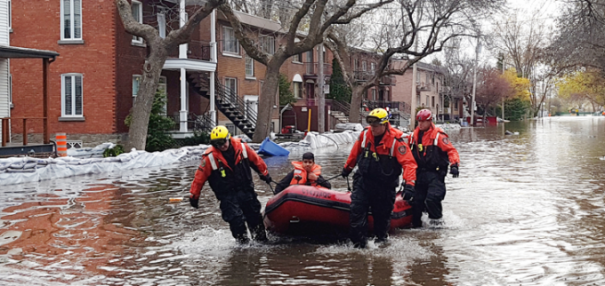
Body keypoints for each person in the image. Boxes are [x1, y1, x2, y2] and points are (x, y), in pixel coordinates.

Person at [341, 108, 418, 248]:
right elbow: (355, 152)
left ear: (384, 124)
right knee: (356, 213)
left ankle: (381, 245)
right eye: (372, 125)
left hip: (384, 186)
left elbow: (409, 163)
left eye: (376, 126)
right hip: (364, 182)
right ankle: (359, 248)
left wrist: (410, 184)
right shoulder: (365, 135)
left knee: (381, 220)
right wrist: (347, 168)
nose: (373, 129)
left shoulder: (396, 141)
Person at [189, 125, 273, 244]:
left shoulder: (242, 148)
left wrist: (265, 174)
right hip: (227, 196)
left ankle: (261, 242)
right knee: (236, 220)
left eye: (223, 142)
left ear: (228, 138)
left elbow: (256, 161)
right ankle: (242, 246)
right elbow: (199, 179)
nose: (221, 146)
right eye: (217, 144)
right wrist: (194, 196)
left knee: (254, 218)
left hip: (246, 191)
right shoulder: (210, 158)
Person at [408, 109, 460, 228]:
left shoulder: (438, 137)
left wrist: (454, 165)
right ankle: (418, 226)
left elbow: (451, 151)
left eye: (423, 122)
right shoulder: (413, 137)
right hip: (419, 174)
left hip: (435, 174)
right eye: (419, 121)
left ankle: (438, 226)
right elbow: (405, 156)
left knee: (432, 199)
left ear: (430, 121)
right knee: (416, 203)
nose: (420, 124)